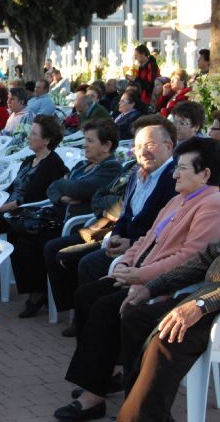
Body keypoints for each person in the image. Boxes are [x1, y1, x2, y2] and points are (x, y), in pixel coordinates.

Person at [54, 136, 220, 422]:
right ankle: (104, 382)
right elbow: (150, 239)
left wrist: (144, 279)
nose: (174, 173)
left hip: (189, 293)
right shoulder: (179, 200)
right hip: (159, 280)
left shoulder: (211, 204)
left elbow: (189, 257)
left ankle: (113, 399)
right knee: (91, 295)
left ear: (205, 174)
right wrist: (129, 264)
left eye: (181, 168)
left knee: (117, 311)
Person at [46, 117, 178, 334]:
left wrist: (130, 243)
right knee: (62, 253)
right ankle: (86, 322)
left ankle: (90, 327)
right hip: (121, 242)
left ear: (169, 146)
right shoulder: (138, 173)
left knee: (87, 264)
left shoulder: (173, 178)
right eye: (138, 146)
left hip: (146, 252)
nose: (142, 152)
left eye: (150, 145)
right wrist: (117, 235)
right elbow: (125, 213)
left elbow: (165, 226)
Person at [10, 118, 121, 318]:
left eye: (90, 141)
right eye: (85, 140)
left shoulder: (110, 168)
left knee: (47, 246)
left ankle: (62, 302)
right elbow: (52, 187)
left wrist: (67, 188)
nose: (85, 145)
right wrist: (63, 196)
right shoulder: (81, 165)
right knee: (22, 239)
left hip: (81, 224)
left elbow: (80, 189)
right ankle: (41, 293)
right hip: (62, 217)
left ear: (106, 146)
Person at [117, 238, 220, 421]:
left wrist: (201, 304)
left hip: (211, 306)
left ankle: (139, 414)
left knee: (167, 337)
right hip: (203, 298)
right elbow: (206, 258)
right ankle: (140, 408)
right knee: (135, 319)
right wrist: (151, 288)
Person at [0, 115, 67, 215]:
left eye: (34, 134)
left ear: (46, 140)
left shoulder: (51, 165)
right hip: (7, 205)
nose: (28, 136)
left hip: (20, 214)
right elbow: (14, 187)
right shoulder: (30, 160)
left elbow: (27, 200)